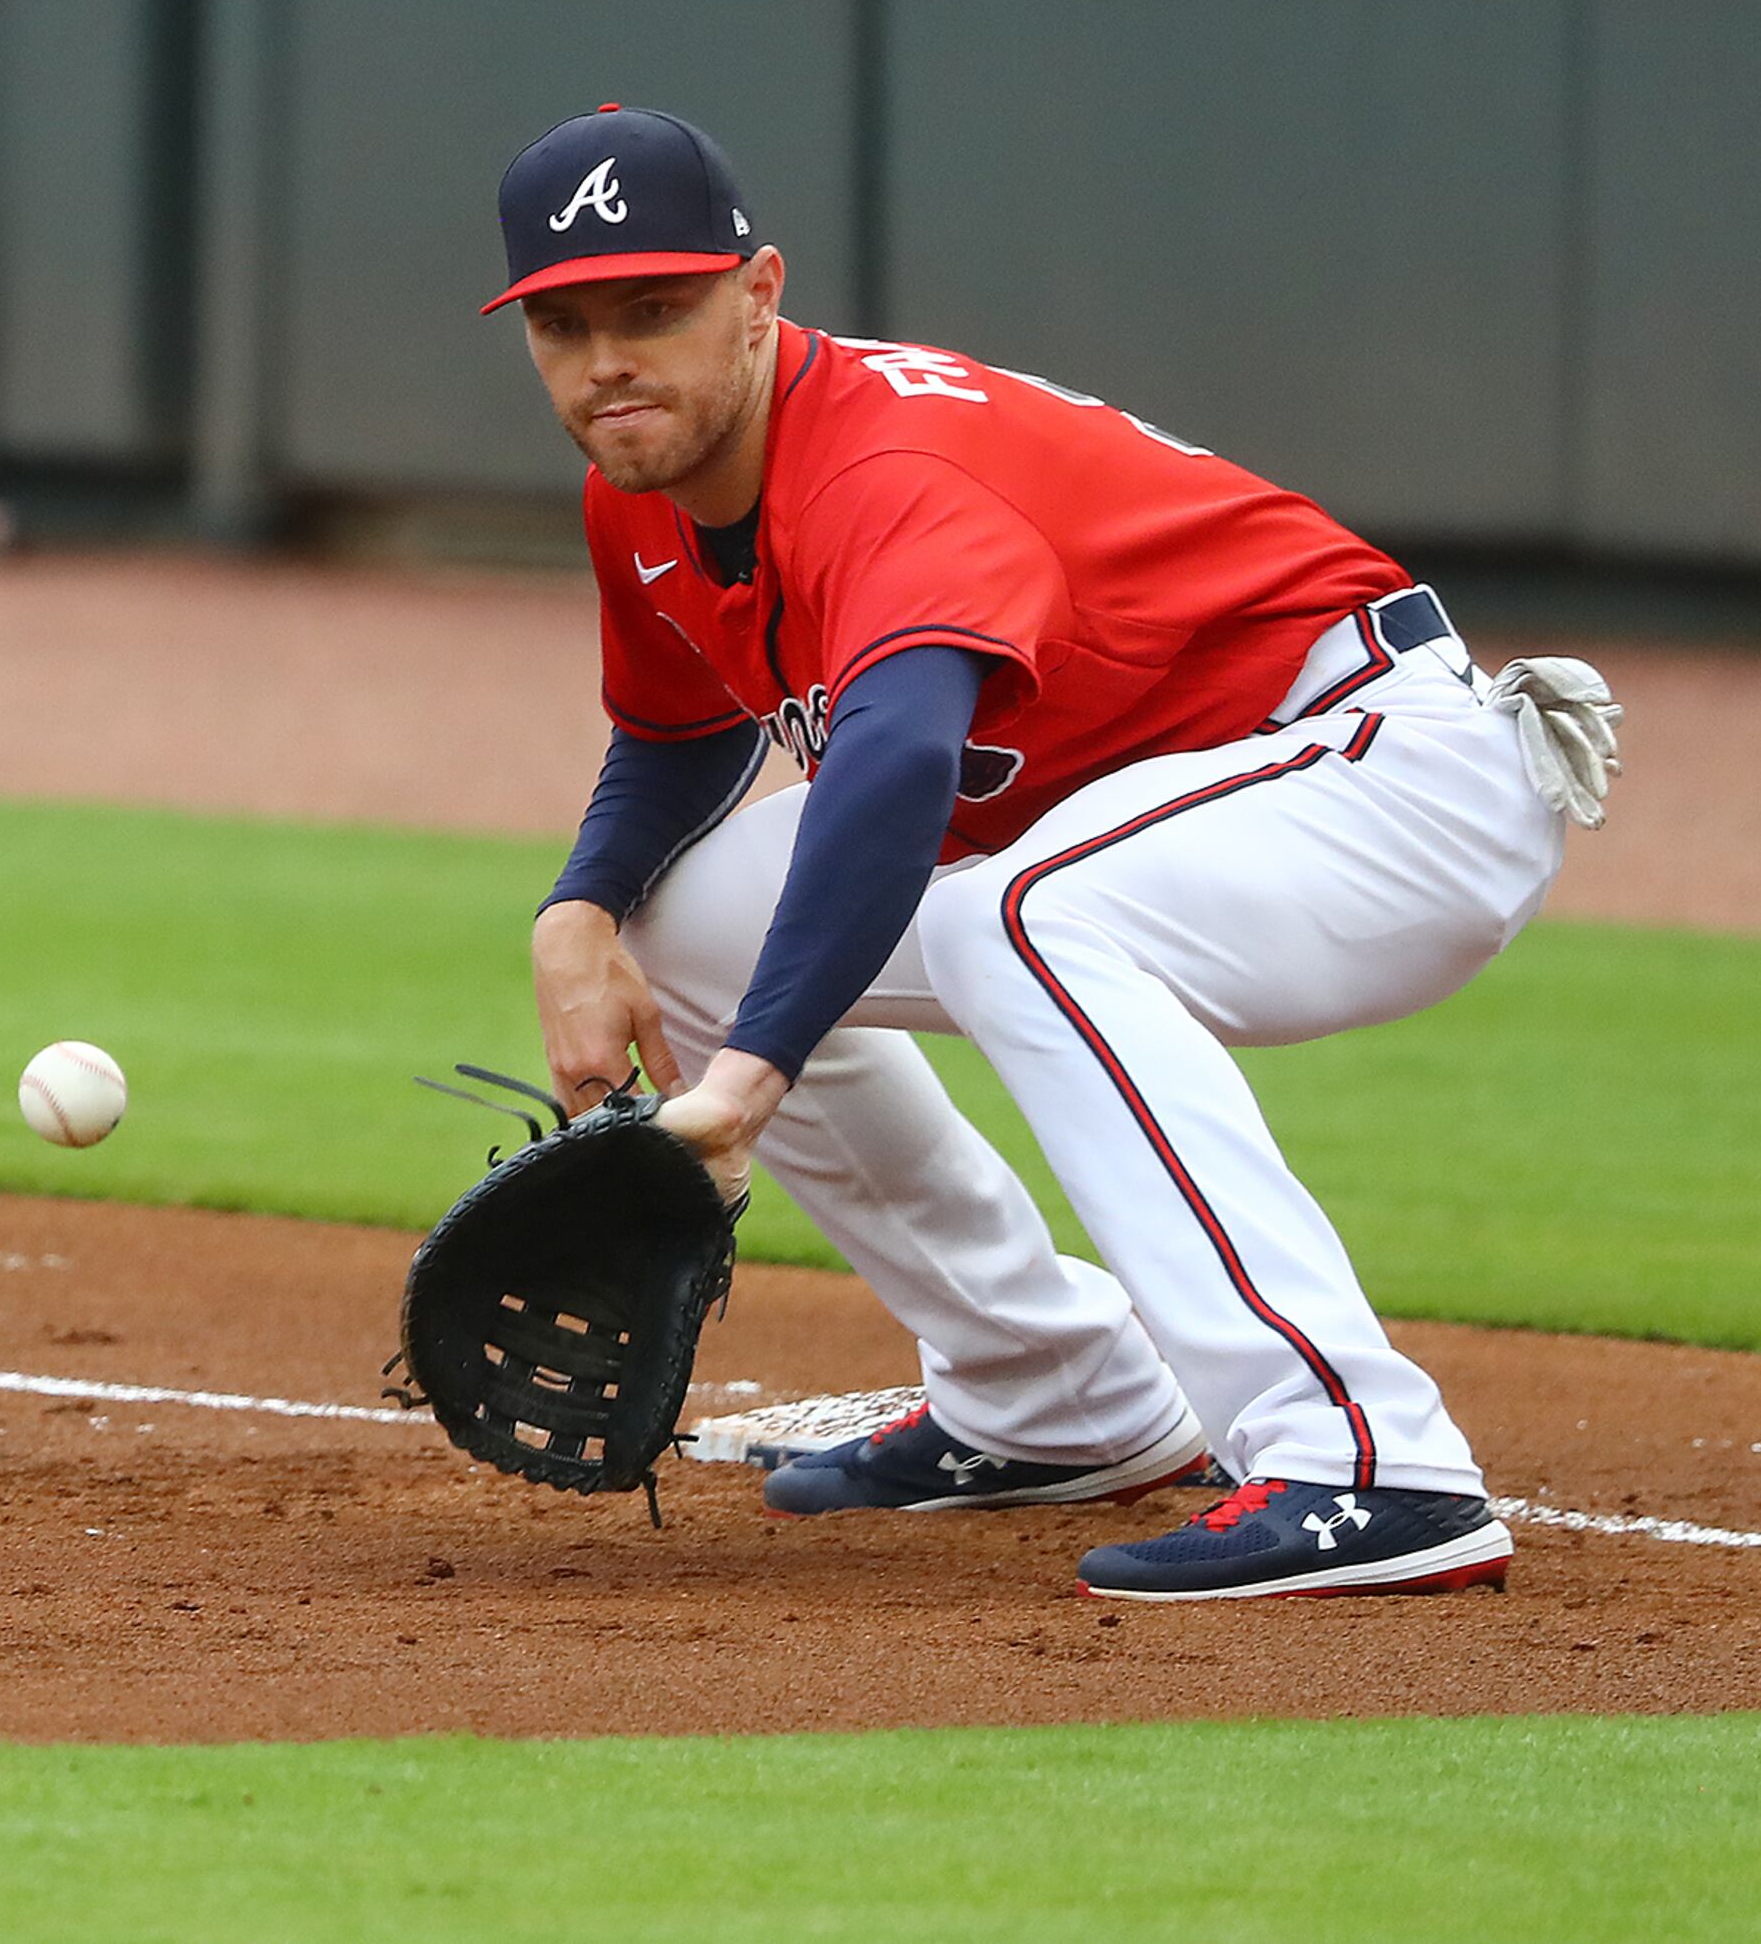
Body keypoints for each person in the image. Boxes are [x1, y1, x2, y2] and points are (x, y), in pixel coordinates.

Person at [500, 105, 1616, 1600]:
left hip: (1380, 768)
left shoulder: (882, 467)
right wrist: (580, 909)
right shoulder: (640, 492)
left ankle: (1365, 1457)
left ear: (759, 294)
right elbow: (685, 725)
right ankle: (1048, 1393)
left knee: (1014, 917)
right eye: (566, 326)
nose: (609, 360)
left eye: (655, 309)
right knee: (695, 927)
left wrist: (751, 1080)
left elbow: (893, 759)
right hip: (1178, 790)